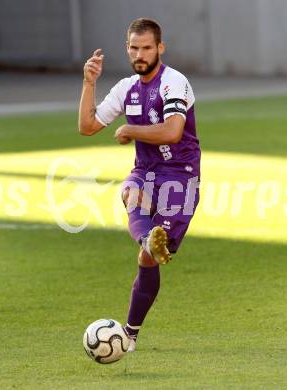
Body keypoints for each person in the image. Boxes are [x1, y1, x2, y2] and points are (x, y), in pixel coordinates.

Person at [78, 18, 201, 352]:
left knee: (148, 261)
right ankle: (148, 238)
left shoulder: (174, 83)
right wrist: (89, 83)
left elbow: (173, 131)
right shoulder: (126, 87)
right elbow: (88, 126)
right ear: (127, 48)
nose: (140, 54)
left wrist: (131, 130)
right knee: (130, 192)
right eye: (134, 47)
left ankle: (130, 334)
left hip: (180, 175)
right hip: (146, 170)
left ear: (160, 48)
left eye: (147, 47)